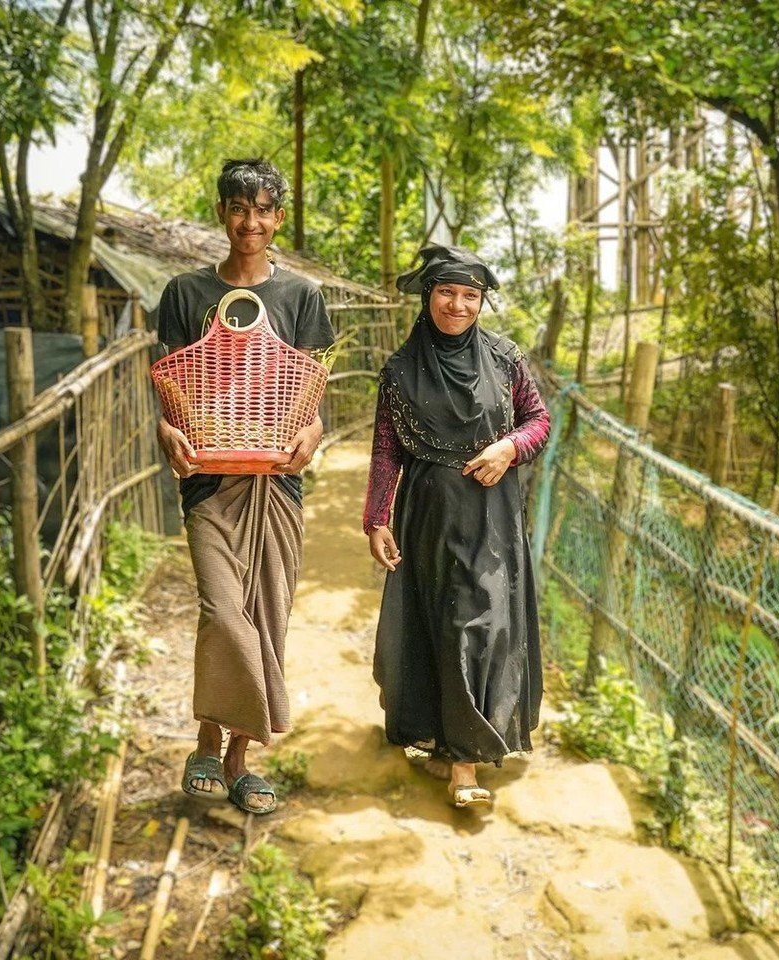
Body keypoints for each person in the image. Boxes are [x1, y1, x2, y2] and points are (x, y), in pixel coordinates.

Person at [156, 158, 333, 814]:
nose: (250, 222)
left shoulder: (302, 297)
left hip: (277, 484)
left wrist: (310, 438)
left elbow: (312, 397)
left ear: (278, 218)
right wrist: (166, 434)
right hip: (210, 482)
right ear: (221, 212)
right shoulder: (183, 294)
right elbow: (170, 390)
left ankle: (238, 758)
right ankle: (206, 738)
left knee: (267, 616)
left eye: (263, 210)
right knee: (223, 612)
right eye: (239, 208)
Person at [363, 244, 550, 808]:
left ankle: (466, 764)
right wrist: (376, 518)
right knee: (438, 624)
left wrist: (508, 448)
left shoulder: (506, 361)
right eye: (447, 291)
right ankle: (447, 745)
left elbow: (539, 421)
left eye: (471, 295)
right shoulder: (399, 371)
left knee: (483, 622)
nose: (459, 305)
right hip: (427, 513)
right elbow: (386, 451)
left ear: (482, 302)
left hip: (492, 514)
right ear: (428, 296)